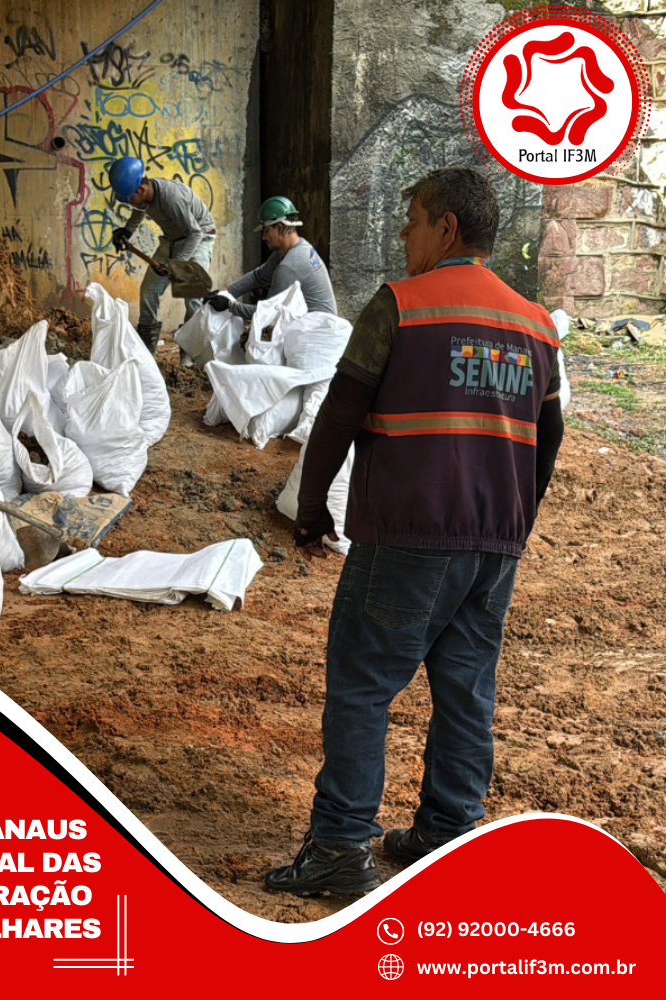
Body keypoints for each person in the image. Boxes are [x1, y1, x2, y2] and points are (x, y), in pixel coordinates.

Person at [265, 167, 564, 897]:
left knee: (363, 684)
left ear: (447, 228)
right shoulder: (536, 323)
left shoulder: (400, 305)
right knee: (467, 690)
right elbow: (549, 437)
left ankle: (340, 848)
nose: (404, 236)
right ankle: (448, 835)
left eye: (414, 221)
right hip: (494, 542)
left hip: (409, 533)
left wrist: (312, 508)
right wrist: (514, 518)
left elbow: (339, 412)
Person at [108, 156, 216, 354]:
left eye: (129, 198)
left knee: (192, 297)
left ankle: (189, 355)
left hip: (199, 238)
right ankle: (146, 350)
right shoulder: (146, 196)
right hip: (172, 239)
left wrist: (176, 264)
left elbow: (195, 233)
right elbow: (140, 209)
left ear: (142, 189)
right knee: (149, 290)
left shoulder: (172, 199)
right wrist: (127, 231)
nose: (129, 203)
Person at [207, 196, 338, 321]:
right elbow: (258, 276)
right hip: (315, 324)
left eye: (266, 231)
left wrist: (230, 305)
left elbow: (268, 314)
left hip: (316, 331)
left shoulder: (288, 267)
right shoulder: (298, 246)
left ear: (279, 228)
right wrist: (225, 292)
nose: (264, 237)